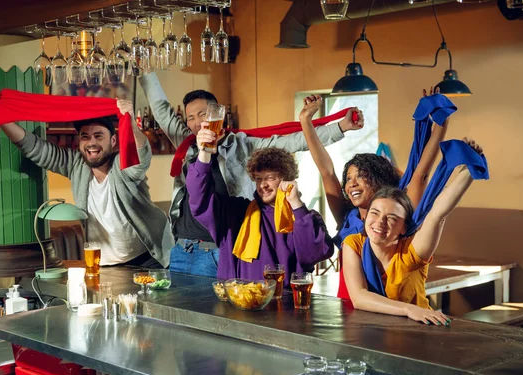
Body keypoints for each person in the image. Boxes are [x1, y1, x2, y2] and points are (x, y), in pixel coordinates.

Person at [139, 72, 364, 277]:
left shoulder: (243, 144)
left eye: (203, 114)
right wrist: (146, 71)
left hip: (218, 250)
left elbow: (293, 140)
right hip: (181, 249)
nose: (197, 123)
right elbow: (162, 111)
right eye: (190, 118)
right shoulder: (188, 144)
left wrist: (340, 127)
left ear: (219, 113)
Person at [0, 91, 173, 269]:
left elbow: (141, 155)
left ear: (113, 141)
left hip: (149, 257)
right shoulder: (76, 165)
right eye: (85, 137)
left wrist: (130, 122)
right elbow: (34, 148)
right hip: (105, 263)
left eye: (99, 136)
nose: (91, 143)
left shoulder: (123, 165)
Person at [299, 91, 453, 298]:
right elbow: (326, 171)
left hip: (394, 309)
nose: (352, 184)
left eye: (361, 176)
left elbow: (421, 174)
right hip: (349, 308)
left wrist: (443, 120)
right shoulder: (347, 217)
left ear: (380, 180)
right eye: (349, 178)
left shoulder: (400, 215)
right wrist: (305, 121)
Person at [342, 139, 484, 324]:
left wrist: (470, 168)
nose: (380, 222)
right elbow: (359, 297)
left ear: (403, 228)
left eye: (392, 218)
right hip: (372, 333)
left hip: (418, 330)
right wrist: (409, 309)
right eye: (375, 213)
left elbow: (437, 215)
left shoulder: (411, 252)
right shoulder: (354, 244)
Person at [186, 131, 334, 283]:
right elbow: (200, 199)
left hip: (285, 304)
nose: (263, 185)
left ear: (286, 179)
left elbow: (313, 254)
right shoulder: (237, 213)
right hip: (238, 301)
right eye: (258, 179)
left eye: (270, 178)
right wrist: (204, 154)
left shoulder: (305, 217)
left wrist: (296, 205)